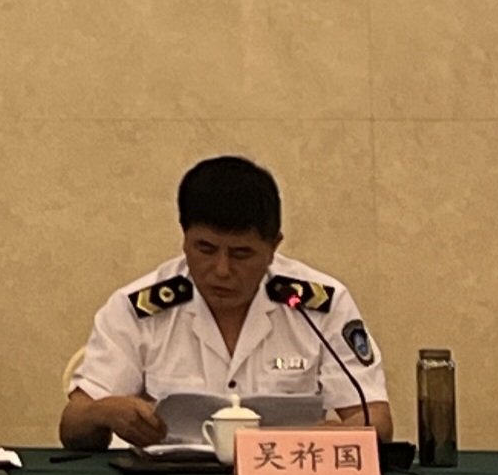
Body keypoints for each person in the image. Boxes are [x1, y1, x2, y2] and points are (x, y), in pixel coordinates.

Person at [62, 156, 391, 448]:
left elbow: (375, 418)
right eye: (205, 249)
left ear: (273, 247)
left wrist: (339, 435)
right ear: (184, 237)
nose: (221, 270)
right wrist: (102, 412)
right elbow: (72, 425)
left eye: (241, 254)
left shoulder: (319, 305)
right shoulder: (137, 308)